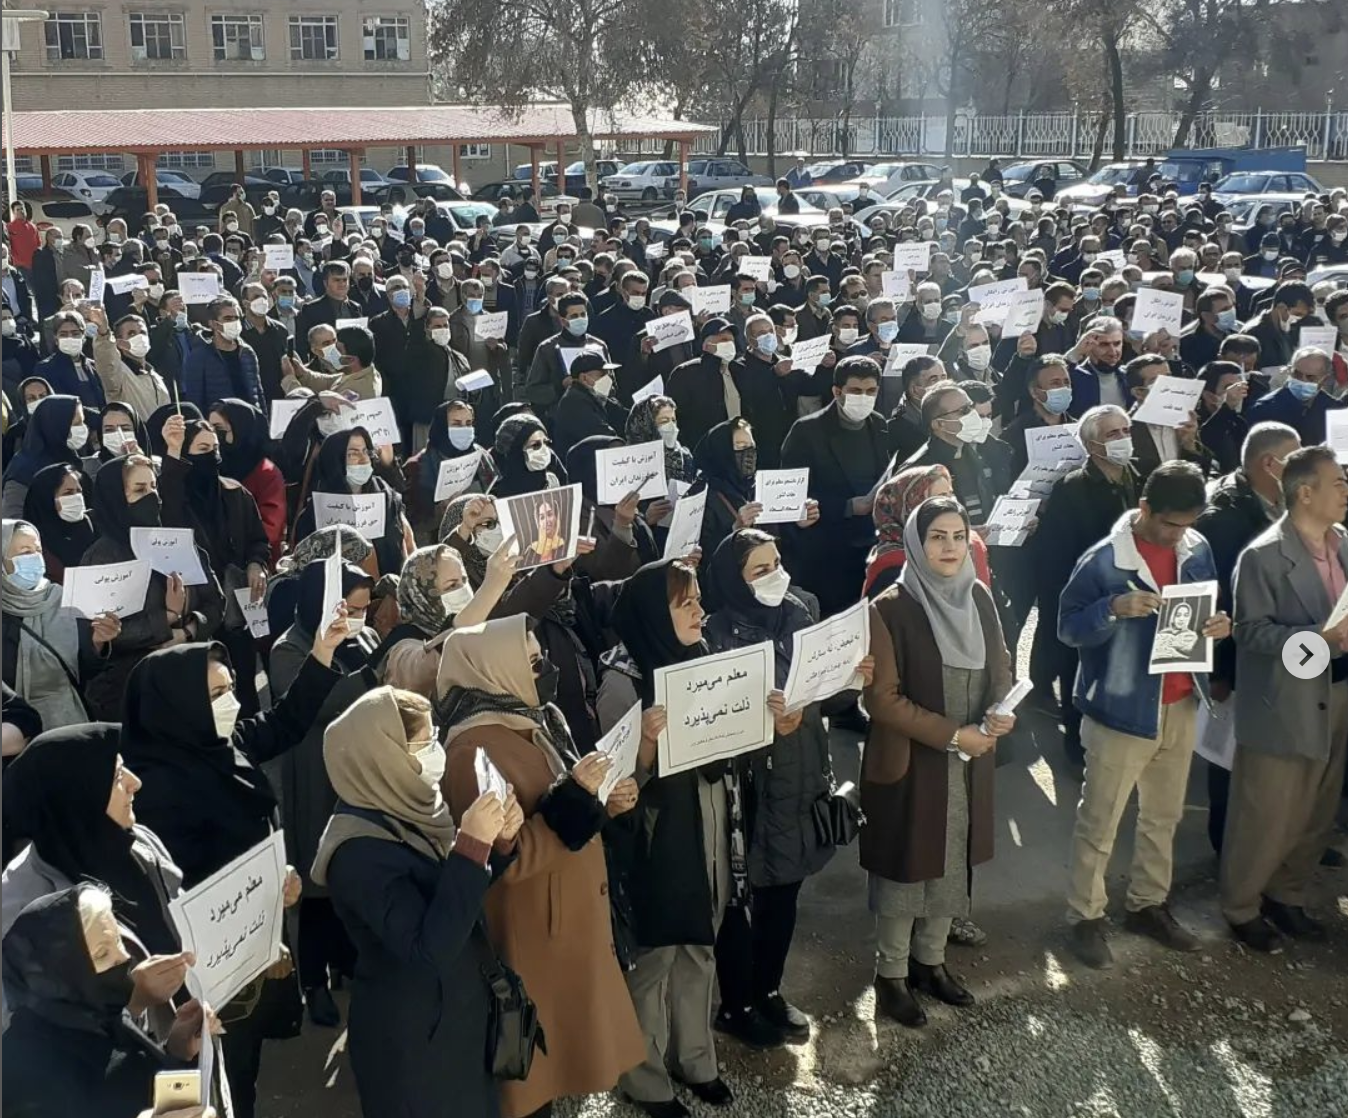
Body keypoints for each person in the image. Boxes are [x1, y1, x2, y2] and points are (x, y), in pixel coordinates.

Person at [118, 630, 344, 1118]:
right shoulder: (150, 789)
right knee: (216, 1076)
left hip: (251, 954)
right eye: (217, 695)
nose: (233, 704)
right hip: (201, 977)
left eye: (231, 687)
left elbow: (283, 724)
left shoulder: (222, 742)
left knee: (244, 1072)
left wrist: (322, 653)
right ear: (179, 707)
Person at [440, 615, 645, 1118]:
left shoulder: (531, 718)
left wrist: (604, 803)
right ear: (494, 672)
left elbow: (559, 802)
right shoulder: (471, 749)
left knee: (553, 1075)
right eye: (531, 661)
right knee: (528, 1078)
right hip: (530, 935)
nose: (545, 668)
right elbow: (497, 860)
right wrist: (577, 799)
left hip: (563, 925)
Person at [313, 685, 524, 1118]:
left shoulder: (410, 806)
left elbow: (453, 894)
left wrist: (496, 845)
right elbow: (428, 947)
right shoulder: (356, 853)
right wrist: (471, 847)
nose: (435, 750)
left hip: (454, 1019)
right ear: (383, 755)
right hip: (415, 1043)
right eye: (423, 743)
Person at [704, 530, 873, 1047]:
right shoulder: (717, 634)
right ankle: (736, 1003)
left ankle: (769, 990)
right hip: (749, 792)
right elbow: (711, 725)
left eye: (776, 562)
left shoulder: (802, 610)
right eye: (759, 569)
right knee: (742, 902)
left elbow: (827, 698)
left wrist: (852, 681)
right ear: (734, 580)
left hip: (800, 779)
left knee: (785, 895)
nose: (775, 574)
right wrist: (762, 726)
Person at [1058, 462, 1229, 970]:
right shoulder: (1104, 559)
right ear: (1145, 509)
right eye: (1170, 524)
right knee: (1101, 820)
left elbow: (1208, 604)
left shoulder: (1197, 548)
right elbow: (1067, 630)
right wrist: (1111, 608)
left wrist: (1222, 623)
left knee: (1164, 816)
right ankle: (1083, 917)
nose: (1179, 535)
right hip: (1119, 710)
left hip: (1180, 702)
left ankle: (1148, 905)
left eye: (1188, 524)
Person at [600, 560, 749, 1115]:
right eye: (684, 603)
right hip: (656, 834)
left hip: (706, 818)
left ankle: (696, 1059)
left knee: (700, 943)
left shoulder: (701, 656)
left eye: (698, 600)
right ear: (651, 614)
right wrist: (643, 745)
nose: (699, 611)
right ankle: (644, 1076)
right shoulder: (622, 679)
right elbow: (614, 785)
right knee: (656, 956)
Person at [861, 496, 1014, 1027]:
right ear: (915, 543)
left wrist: (1001, 709)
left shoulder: (978, 596)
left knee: (951, 861)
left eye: (957, 536)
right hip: (915, 759)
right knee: (906, 869)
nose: (949, 548)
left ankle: (931, 963)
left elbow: (1000, 666)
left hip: (970, 758)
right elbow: (882, 700)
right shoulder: (890, 608)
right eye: (936, 537)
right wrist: (954, 736)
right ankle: (892, 977)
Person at [1222, 445, 1348, 952]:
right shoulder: (1263, 555)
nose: (1345, 491)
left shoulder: (1343, 542)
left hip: (1338, 691)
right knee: (1267, 809)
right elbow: (1249, 632)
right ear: (1304, 493)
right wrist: (1323, 637)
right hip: (1285, 699)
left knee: (1317, 806)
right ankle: (1241, 905)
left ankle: (1287, 894)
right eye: (1338, 482)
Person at [1, 883, 216, 1118]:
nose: (124, 957)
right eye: (103, 953)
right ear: (62, 973)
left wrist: (177, 1050)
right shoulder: (21, 1074)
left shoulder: (104, 1018)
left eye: (118, 941)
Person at [1193, 421, 1299, 853]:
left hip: (1284, 649)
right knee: (1231, 759)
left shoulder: (1287, 502)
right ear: (1270, 464)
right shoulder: (1225, 516)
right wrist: (1219, 671)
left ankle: (1284, 836)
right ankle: (1229, 844)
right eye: (1297, 455)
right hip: (1240, 659)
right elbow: (1215, 596)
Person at [1029, 404, 1139, 766]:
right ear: (1092, 447)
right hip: (1088, 600)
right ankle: (1076, 752)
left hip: (1128, 597)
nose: (1123, 440)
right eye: (1113, 434)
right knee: (1079, 677)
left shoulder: (1137, 477)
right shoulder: (1073, 489)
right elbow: (1057, 555)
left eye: (1126, 431)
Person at [81, 455, 224, 720]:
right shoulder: (101, 558)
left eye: (153, 487)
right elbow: (103, 634)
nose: (152, 497)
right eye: (139, 489)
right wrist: (166, 618)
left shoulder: (177, 542)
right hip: (132, 691)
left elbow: (215, 604)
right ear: (115, 497)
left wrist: (187, 632)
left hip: (189, 676)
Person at [159, 413, 271, 714]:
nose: (212, 457)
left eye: (215, 449)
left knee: (243, 685)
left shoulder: (236, 493)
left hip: (237, 610)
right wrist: (172, 449)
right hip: (197, 611)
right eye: (202, 450)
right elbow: (166, 513)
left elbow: (258, 540)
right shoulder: (173, 499)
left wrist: (256, 563)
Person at [780, 356, 890, 617]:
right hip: (828, 551)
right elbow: (794, 496)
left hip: (871, 542)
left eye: (871, 391)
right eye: (855, 391)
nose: (864, 397)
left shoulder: (879, 424)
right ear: (837, 392)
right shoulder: (806, 431)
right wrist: (848, 507)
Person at [2, 516, 118, 729]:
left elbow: (84, 670)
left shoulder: (63, 599)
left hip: (68, 721)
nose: (35, 558)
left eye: (37, 550)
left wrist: (98, 643)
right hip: (14, 733)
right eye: (25, 552)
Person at [291, 426, 415, 577]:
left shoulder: (388, 500)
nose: (363, 460)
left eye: (365, 452)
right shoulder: (314, 514)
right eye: (353, 454)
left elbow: (408, 548)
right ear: (335, 460)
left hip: (388, 593)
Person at [864, 465, 991, 597]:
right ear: (911, 507)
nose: (951, 503)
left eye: (951, 494)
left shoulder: (969, 545)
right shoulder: (893, 568)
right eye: (941, 497)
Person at [209, 398, 287, 566]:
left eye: (219, 429)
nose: (214, 437)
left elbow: (271, 527)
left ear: (241, 428)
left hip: (256, 564)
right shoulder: (214, 466)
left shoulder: (267, 473)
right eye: (210, 429)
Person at [2, 394, 87, 519]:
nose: (82, 428)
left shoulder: (70, 458)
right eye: (75, 424)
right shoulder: (23, 471)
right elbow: (13, 519)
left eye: (82, 422)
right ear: (56, 427)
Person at [1244, 345, 1344, 445]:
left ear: (1325, 379)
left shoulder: (1335, 410)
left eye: (1310, 377)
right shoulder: (1264, 408)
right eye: (1297, 374)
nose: (1302, 380)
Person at [181, 296, 265, 412]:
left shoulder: (247, 352)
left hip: (249, 421)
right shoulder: (199, 356)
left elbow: (257, 392)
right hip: (219, 424)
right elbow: (195, 398)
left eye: (236, 318)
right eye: (228, 318)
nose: (234, 322)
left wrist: (263, 422)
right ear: (213, 324)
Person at [20, 461, 95, 584]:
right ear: (46, 499)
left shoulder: (91, 526)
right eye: (68, 493)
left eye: (78, 491)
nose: (76, 497)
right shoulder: (32, 544)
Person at [551, 350, 629, 458]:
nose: (608, 378)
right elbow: (603, 434)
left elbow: (624, 417)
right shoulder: (574, 403)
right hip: (581, 467)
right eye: (603, 374)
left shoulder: (596, 396)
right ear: (584, 378)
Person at [489, 413, 568, 499]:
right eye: (535, 445)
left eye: (546, 442)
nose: (545, 450)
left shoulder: (553, 476)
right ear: (516, 452)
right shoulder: (495, 491)